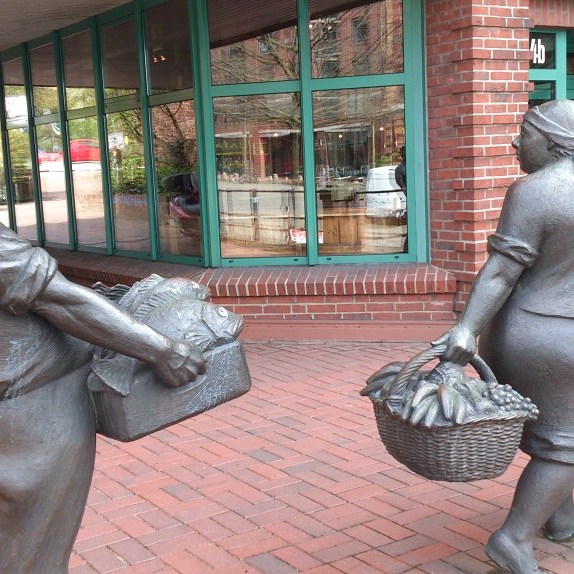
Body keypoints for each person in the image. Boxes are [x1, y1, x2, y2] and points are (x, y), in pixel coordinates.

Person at [0, 222, 206, 573]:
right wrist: (163, 351)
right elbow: (58, 299)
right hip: (28, 411)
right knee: (33, 552)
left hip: (25, 407)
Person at [433, 99, 574, 574]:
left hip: (533, 329)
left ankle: (555, 519)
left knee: (562, 436)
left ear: (552, 142)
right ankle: (514, 539)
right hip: (554, 338)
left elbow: (501, 270)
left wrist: (467, 329)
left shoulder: (535, 190)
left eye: (526, 133)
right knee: (565, 437)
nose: (516, 142)